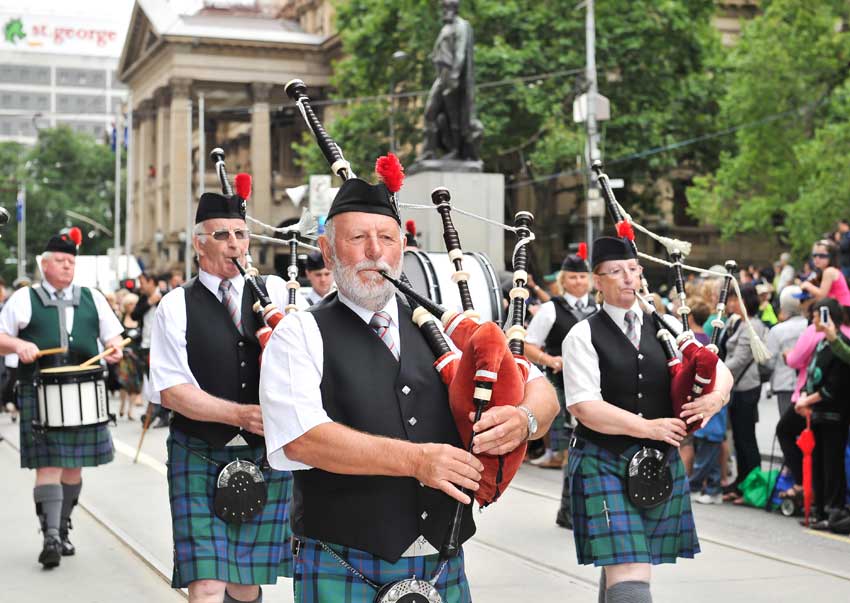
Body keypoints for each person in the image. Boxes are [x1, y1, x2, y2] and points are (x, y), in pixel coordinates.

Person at [259, 171, 559, 603]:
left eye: (386, 237)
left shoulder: (447, 325)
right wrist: (418, 461)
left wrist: (523, 419)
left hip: (441, 560)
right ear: (326, 250)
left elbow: (539, 388)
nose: (374, 251)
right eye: (357, 237)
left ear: (404, 247)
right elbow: (303, 439)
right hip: (344, 556)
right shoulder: (300, 333)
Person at [562, 236, 733, 603]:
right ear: (598, 280)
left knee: (624, 565)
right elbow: (583, 406)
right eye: (615, 271)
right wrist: (649, 428)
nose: (627, 278)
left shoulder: (668, 324)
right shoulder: (582, 335)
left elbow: (719, 370)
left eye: (633, 270)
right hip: (603, 459)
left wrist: (715, 400)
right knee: (630, 569)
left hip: (657, 465)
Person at [150, 187, 294, 603]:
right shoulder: (176, 305)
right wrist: (242, 416)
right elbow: (172, 392)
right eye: (222, 235)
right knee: (208, 582)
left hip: (262, 454)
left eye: (241, 234)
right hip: (199, 450)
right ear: (199, 243)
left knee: (246, 582)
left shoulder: (276, 296)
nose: (235, 244)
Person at [0, 230, 124, 568]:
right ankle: (51, 535)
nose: (67, 266)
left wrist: (113, 350)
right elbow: (0, 336)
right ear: (44, 264)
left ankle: (63, 525)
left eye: (71, 261)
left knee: (73, 467)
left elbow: (113, 334)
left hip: (83, 389)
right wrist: (17, 345)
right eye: (60, 260)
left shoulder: (92, 297)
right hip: (39, 389)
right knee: (49, 466)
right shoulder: (25, 299)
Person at [524, 246, 596, 527]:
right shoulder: (551, 309)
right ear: (563, 280)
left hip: (594, 386)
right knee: (571, 451)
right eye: (573, 277)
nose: (578, 282)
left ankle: (584, 508)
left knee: (591, 448)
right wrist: (549, 359)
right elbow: (528, 346)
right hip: (562, 387)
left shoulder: (599, 308)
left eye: (583, 277)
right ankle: (568, 511)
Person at [798, 299, 850, 528]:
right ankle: (818, 511)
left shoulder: (840, 344)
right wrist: (803, 397)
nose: (814, 319)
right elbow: (810, 375)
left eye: (818, 315)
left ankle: (833, 512)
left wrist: (806, 400)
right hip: (817, 412)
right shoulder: (821, 344)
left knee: (832, 463)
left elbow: (834, 386)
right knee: (817, 462)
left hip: (834, 413)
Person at [717, 283, 769, 504]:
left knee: (746, 438)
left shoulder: (751, 325)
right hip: (738, 387)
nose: (729, 303)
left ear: (744, 301)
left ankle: (752, 483)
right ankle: (742, 481)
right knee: (739, 438)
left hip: (746, 388)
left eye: (733, 299)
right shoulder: (739, 323)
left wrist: (716, 374)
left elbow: (739, 359)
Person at [132, 272, 169, 428]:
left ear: (152, 282)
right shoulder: (143, 299)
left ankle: (159, 413)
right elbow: (134, 315)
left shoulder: (166, 296)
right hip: (146, 345)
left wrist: (157, 302)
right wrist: (149, 302)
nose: (141, 286)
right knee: (152, 381)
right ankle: (157, 411)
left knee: (162, 381)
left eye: (143, 282)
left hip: (163, 346)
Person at [800, 239, 850, 307]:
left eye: (822, 256)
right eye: (814, 255)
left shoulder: (829, 271)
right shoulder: (826, 271)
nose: (817, 258)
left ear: (831, 256)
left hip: (844, 310)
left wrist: (808, 286)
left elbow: (822, 295)